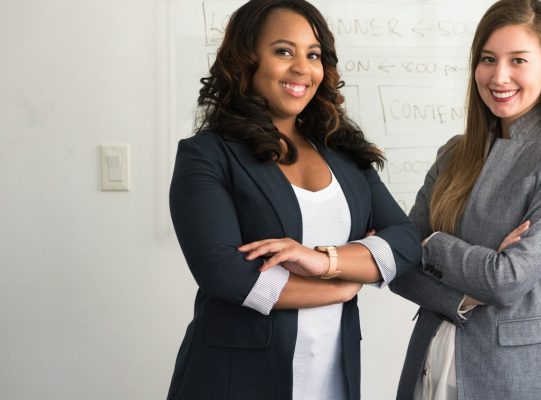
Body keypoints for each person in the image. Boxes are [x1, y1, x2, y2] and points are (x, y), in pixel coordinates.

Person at [166, 1, 421, 399]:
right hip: (235, 382)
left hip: (332, 381)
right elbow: (225, 274)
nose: (303, 67)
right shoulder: (208, 155)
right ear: (246, 58)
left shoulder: (344, 155)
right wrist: (341, 286)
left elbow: (405, 240)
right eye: (284, 51)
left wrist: (325, 261)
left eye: (313, 54)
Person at [389, 0, 541, 399]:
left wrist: (431, 244)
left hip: (518, 374)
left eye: (518, 60)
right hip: (431, 360)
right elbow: (398, 264)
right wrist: (463, 297)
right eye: (488, 59)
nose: (499, 76)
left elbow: (507, 279)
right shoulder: (454, 153)